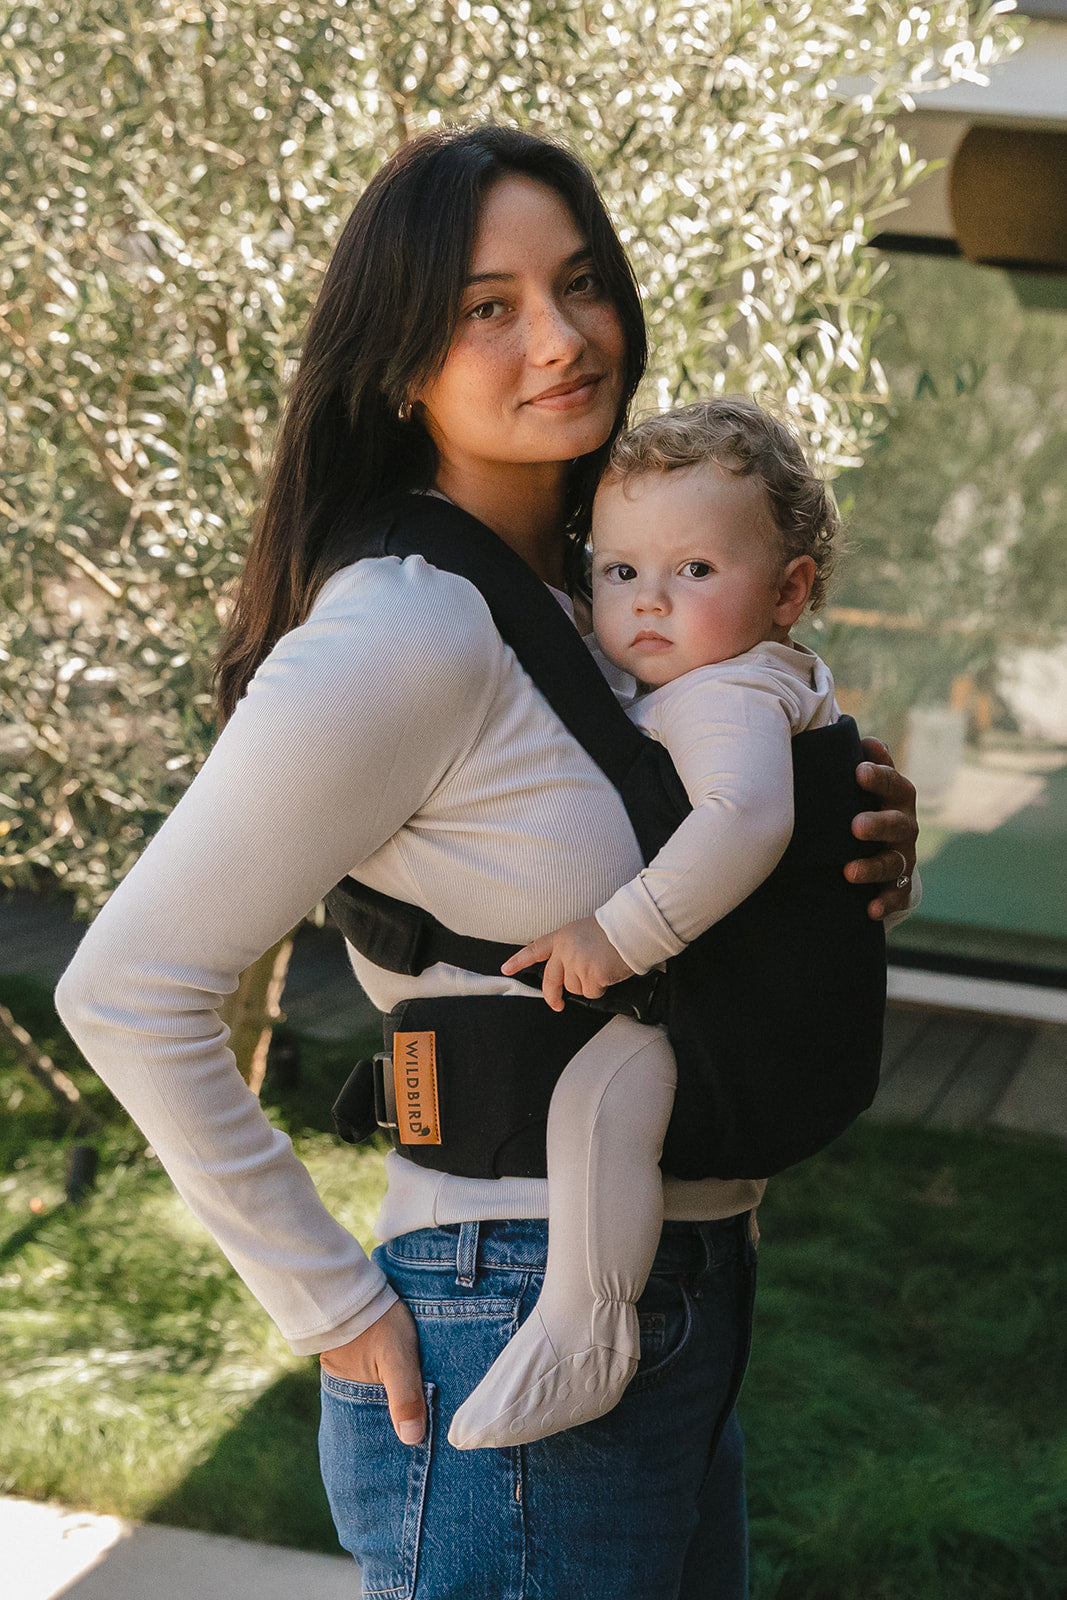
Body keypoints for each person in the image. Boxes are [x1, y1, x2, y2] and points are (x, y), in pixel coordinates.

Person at [55, 125, 918, 1599]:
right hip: (504, 1301)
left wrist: (843, 853)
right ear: (401, 361)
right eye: (487, 307)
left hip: (675, 1291)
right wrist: (330, 1304)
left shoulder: (597, 599)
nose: (562, 337)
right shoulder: (408, 624)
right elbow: (127, 990)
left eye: (578, 283)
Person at [447, 395, 854, 1452]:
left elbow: (745, 819)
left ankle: (588, 1324)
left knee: (601, 1099)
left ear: (788, 591)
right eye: (620, 571)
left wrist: (617, 936)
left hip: (726, 1001)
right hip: (759, 1001)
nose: (650, 602)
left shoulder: (726, 694)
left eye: (695, 570)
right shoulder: (728, 674)